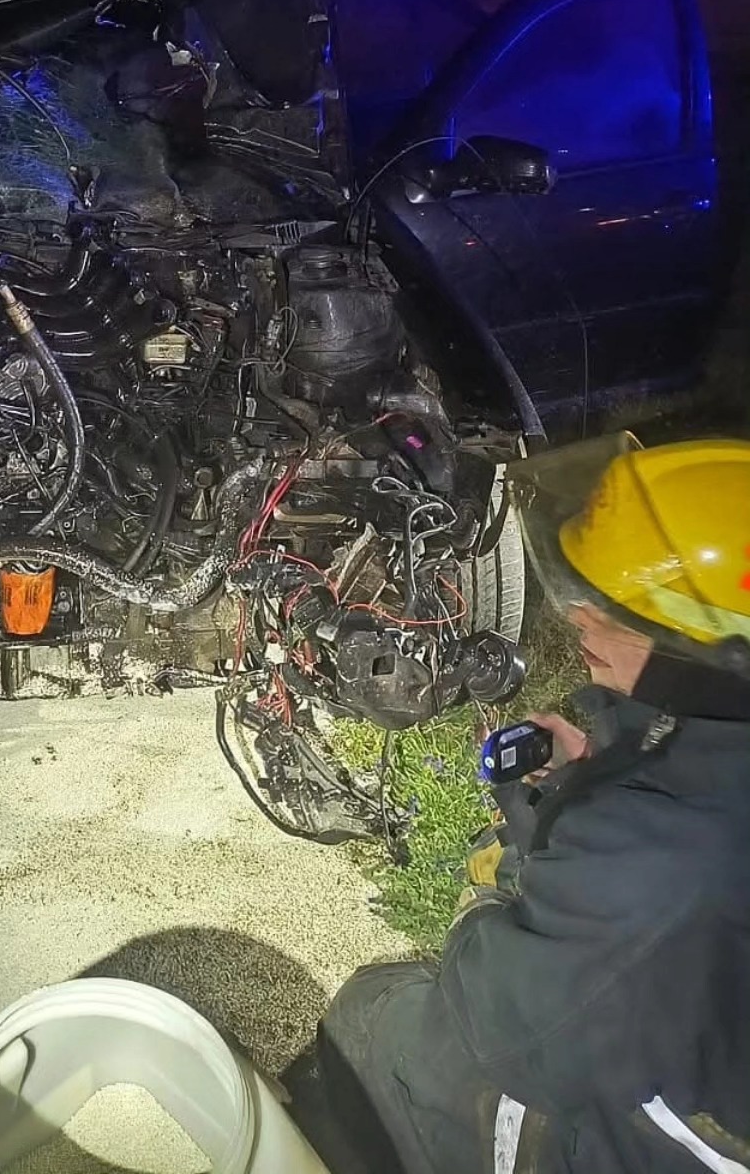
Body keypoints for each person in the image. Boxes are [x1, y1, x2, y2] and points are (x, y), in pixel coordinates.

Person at [304, 432, 750, 1174]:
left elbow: (508, 1031)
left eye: (612, 608)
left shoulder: (669, 855)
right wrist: (604, 773)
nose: (578, 618)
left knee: (370, 1020)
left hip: (667, 1148)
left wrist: (500, 880)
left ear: (703, 650)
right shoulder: (703, 777)